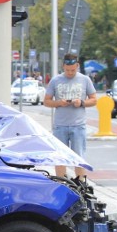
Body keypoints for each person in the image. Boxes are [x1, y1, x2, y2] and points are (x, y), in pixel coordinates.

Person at [43, 53, 97, 181]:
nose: (70, 73)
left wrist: (82, 103)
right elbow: (46, 101)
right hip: (60, 125)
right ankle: (61, 182)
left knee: (78, 157)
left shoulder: (85, 80)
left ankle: (81, 184)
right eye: (67, 70)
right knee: (59, 157)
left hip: (78, 125)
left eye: (73, 70)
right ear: (63, 67)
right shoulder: (55, 80)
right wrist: (59, 103)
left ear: (77, 66)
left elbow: (94, 100)